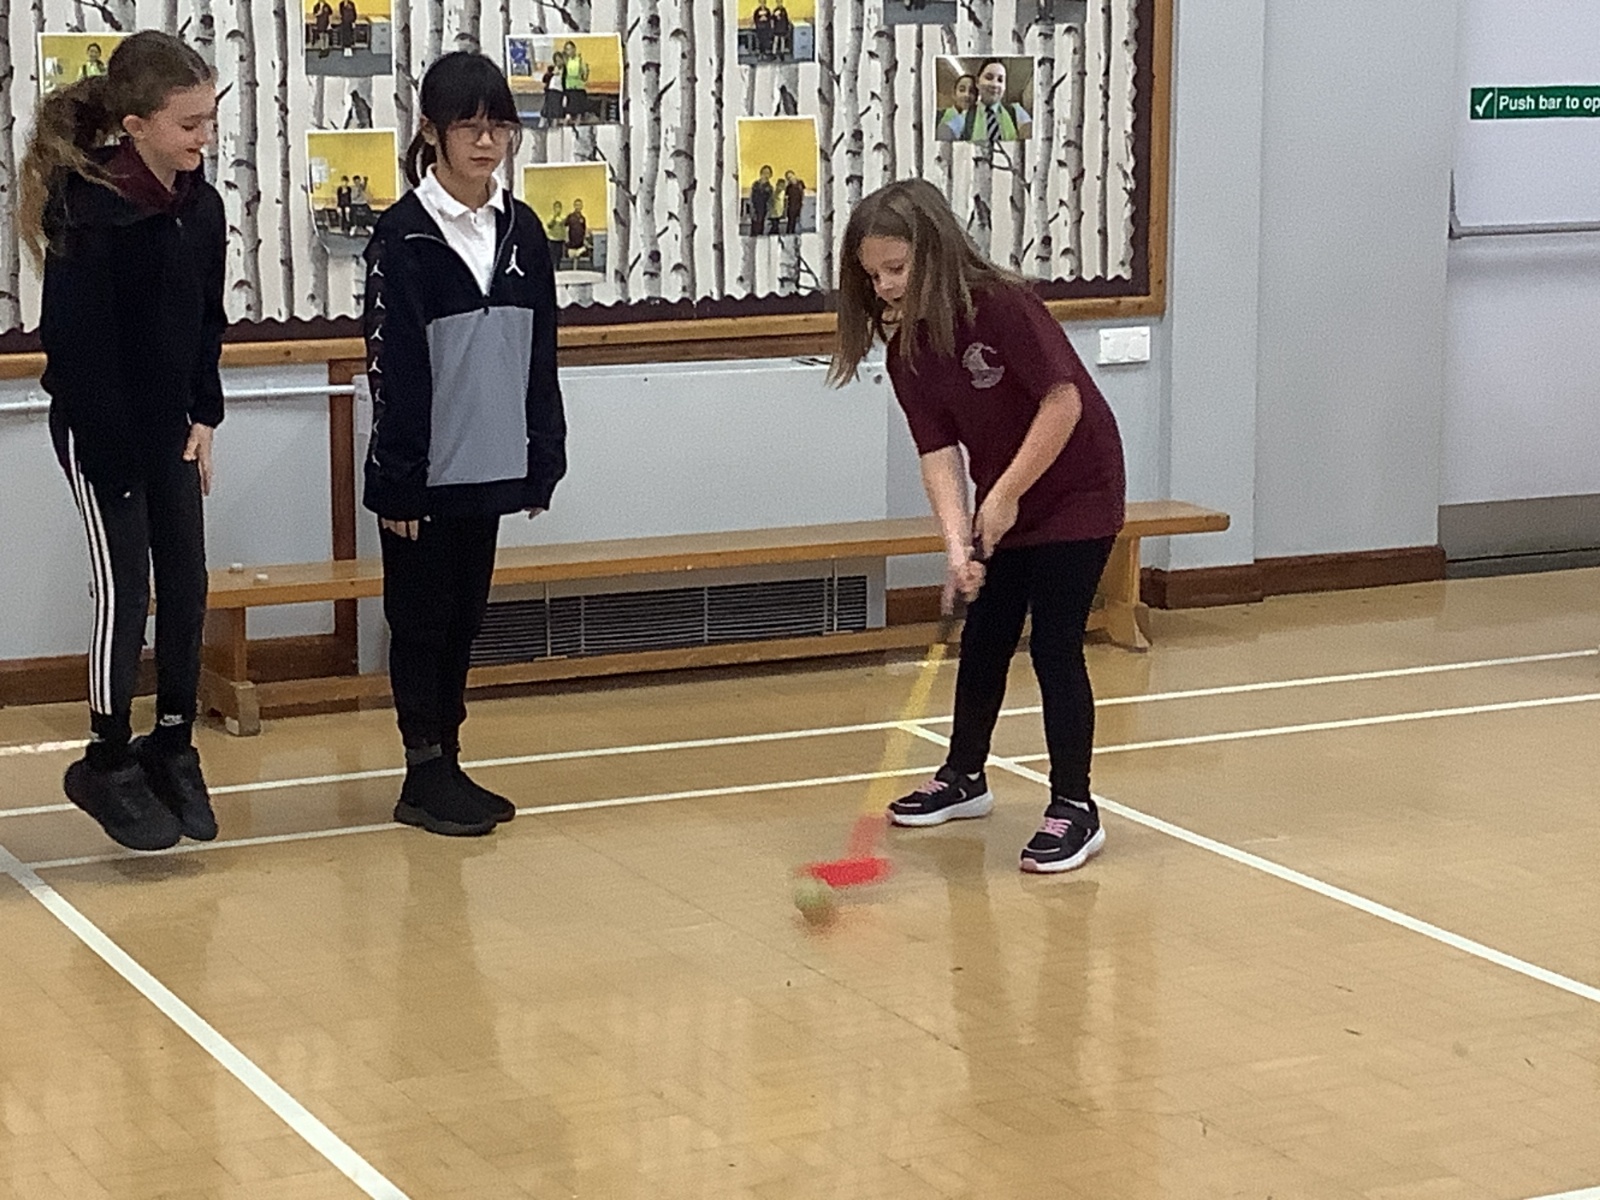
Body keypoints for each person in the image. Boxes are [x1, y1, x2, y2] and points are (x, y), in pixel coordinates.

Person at [829, 179, 1125, 873]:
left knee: (1054, 645)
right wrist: (957, 544)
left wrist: (1007, 493)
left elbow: (1063, 402)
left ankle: (1075, 807)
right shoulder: (906, 348)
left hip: (1077, 488)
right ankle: (965, 777)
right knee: (985, 634)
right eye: (873, 276)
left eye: (896, 269)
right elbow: (937, 453)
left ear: (933, 251)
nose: (885, 287)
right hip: (1004, 497)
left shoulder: (1003, 305)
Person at [21, 31, 226, 852]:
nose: (205, 138)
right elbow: (75, 351)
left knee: (187, 583)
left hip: (171, 430)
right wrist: (115, 457)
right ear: (136, 126)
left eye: (210, 120)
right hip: (103, 433)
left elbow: (206, 322)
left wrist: (204, 415)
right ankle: (106, 758)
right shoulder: (89, 209)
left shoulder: (201, 207)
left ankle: (172, 743)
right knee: (126, 587)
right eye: (189, 125)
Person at [363, 51, 567, 837]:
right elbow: (393, 365)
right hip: (423, 472)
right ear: (431, 133)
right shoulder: (404, 236)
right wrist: (399, 477)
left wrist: (542, 453)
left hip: (492, 461)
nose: (487, 143)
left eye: (499, 128)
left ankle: (449, 758)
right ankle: (421, 773)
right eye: (470, 127)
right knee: (419, 619)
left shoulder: (523, 230)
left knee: (463, 619)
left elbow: (540, 350)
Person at [957, 58, 1032, 144]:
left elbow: (1029, 131)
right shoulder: (965, 116)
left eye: (1000, 80)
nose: (995, 84)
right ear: (977, 82)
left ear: (1004, 87)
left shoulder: (1016, 111)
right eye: (989, 77)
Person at [936, 72, 976, 141]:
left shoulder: (979, 122)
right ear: (954, 94)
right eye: (962, 90)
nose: (966, 95)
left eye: (971, 91)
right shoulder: (938, 116)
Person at [560, 40, 589, 123]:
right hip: (569, 88)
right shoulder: (566, 61)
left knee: (579, 112)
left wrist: (585, 72)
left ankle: (578, 124)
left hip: (578, 88)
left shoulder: (579, 60)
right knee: (568, 112)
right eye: (567, 49)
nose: (569, 51)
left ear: (574, 49)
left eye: (570, 49)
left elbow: (584, 75)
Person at [541, 51, 565, 128]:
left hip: (559, 92)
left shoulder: (565, 70)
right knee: (548, 111)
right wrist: (552, 73)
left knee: (556, 113)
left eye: (560, 60)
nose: (558, 62)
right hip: (551, 91)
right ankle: (546, 126)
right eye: (556, 60)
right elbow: (544, 79)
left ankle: (555, 127)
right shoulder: (551, 69)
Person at [749, 164, 774, 237]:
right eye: (764, 172)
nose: (765, 175)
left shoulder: (769, 187)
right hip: (755, 208)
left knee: (760, 228)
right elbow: (751, 196)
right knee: (754, 227)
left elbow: (770, 201)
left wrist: (768, 214)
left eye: (767, 173)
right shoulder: (755, 184)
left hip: (763, 210)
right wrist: (751, 209)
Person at [564, 196, 588, 261]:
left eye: (579, 205)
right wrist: (566, 239)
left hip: (580, 243)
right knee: (571, 260)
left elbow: (584, 230)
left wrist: (585, 240)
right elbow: (566, 228)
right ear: (574, 206)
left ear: (582, 206)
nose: (578, 207)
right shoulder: (570, 216)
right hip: (571, 243)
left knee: (580, 259)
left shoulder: (583, 218)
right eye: (576, 205)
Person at [783, 170, 805, 234]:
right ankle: (790, 233)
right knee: (791, 221)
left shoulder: (800, 183)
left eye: (791, 176)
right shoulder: (788, 187)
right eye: (788, 178)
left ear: (794, 175)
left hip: (800, 204)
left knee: (800, 220)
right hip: (792, 206)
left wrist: (803, 200)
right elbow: (786, 197)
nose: (791, 178)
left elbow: (803, 192)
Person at [545, 199, 565, 267]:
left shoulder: (563, 217)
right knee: (552, 255)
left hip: (560, 239)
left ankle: (558, 267)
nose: (557, 209)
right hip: (552, 239)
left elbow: (564, 227)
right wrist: (554, 217)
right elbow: (549, 225)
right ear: (554, 208)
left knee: (559, 255)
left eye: (559, 207)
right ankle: (552, 267)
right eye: (556, 207)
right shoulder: (551, 217)